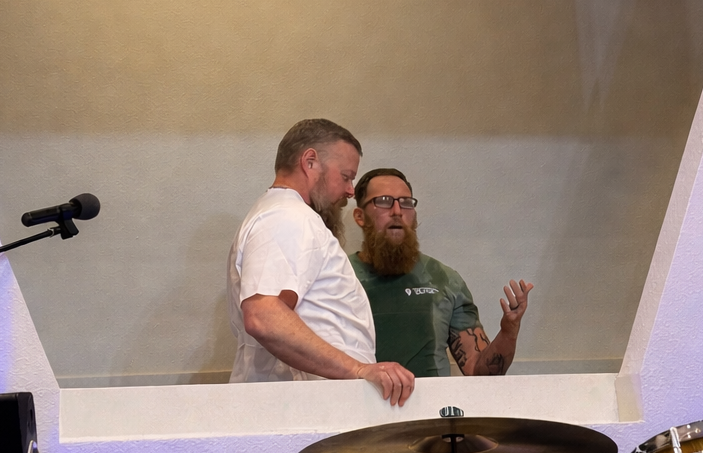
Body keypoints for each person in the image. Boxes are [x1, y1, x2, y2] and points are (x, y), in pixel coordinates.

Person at [227, 120, 415, 405]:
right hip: (306, 410)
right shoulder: (286, 217)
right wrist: (358, 370)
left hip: (312, 407)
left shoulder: (283, 215)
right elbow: (263, 316)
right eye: (346, 176)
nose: (350, 191)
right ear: (310, 162)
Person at [349, 167, 533, 378]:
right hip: (358, 399)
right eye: (384, 201)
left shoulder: (444, 280)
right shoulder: (339, 277)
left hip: (433, 400)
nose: (397, 211)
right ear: (360, 216)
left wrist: (509, 330)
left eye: (406, 203)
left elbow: (481, 372)